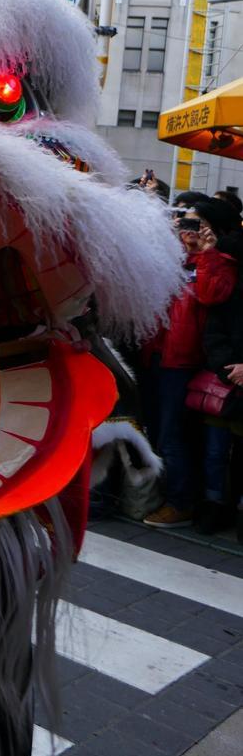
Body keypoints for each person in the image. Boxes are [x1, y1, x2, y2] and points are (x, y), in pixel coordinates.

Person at [142, 200, 238, 527]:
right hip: (158, 351)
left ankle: (181, 502)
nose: (191, 230)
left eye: (198, 224)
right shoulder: (184, 258)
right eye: (186, 222)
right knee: (158, 430)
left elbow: (211, 295)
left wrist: (209, 252)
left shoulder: (220, 261)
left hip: (183, 359)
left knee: (173, 435)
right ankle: (169, 495)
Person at [200, 270, 243, 538]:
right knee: (215, 452)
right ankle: (214, 506)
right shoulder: (233, 290)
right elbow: (214, 333)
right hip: (226, 384)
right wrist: (231, 370)